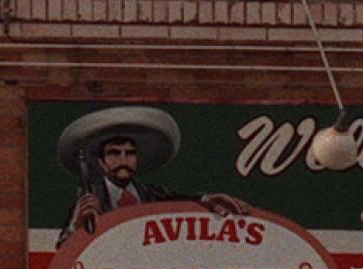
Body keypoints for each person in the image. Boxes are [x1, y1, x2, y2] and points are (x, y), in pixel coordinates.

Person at [54, 104, 247, 243]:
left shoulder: (153, 194)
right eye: (114, 153)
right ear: (101, 163)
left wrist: (207, 199)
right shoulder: (89, 201)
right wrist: (74, 227)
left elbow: (182, 200)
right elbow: (62, 249)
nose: (123, 160)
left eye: (129, 154)